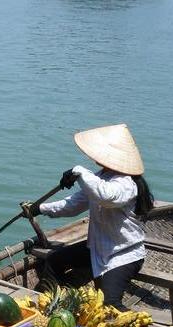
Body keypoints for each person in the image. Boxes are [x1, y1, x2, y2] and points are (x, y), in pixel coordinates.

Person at [22, 123, 154, 310]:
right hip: (98, 247)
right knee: (53, 260)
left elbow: (106, 196)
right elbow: (72, 205)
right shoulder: (100, 177)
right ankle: (49, 306)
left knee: (108, 305)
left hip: (123, 253)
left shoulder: (127, 183)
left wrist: (80, 171)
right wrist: (39, 209)